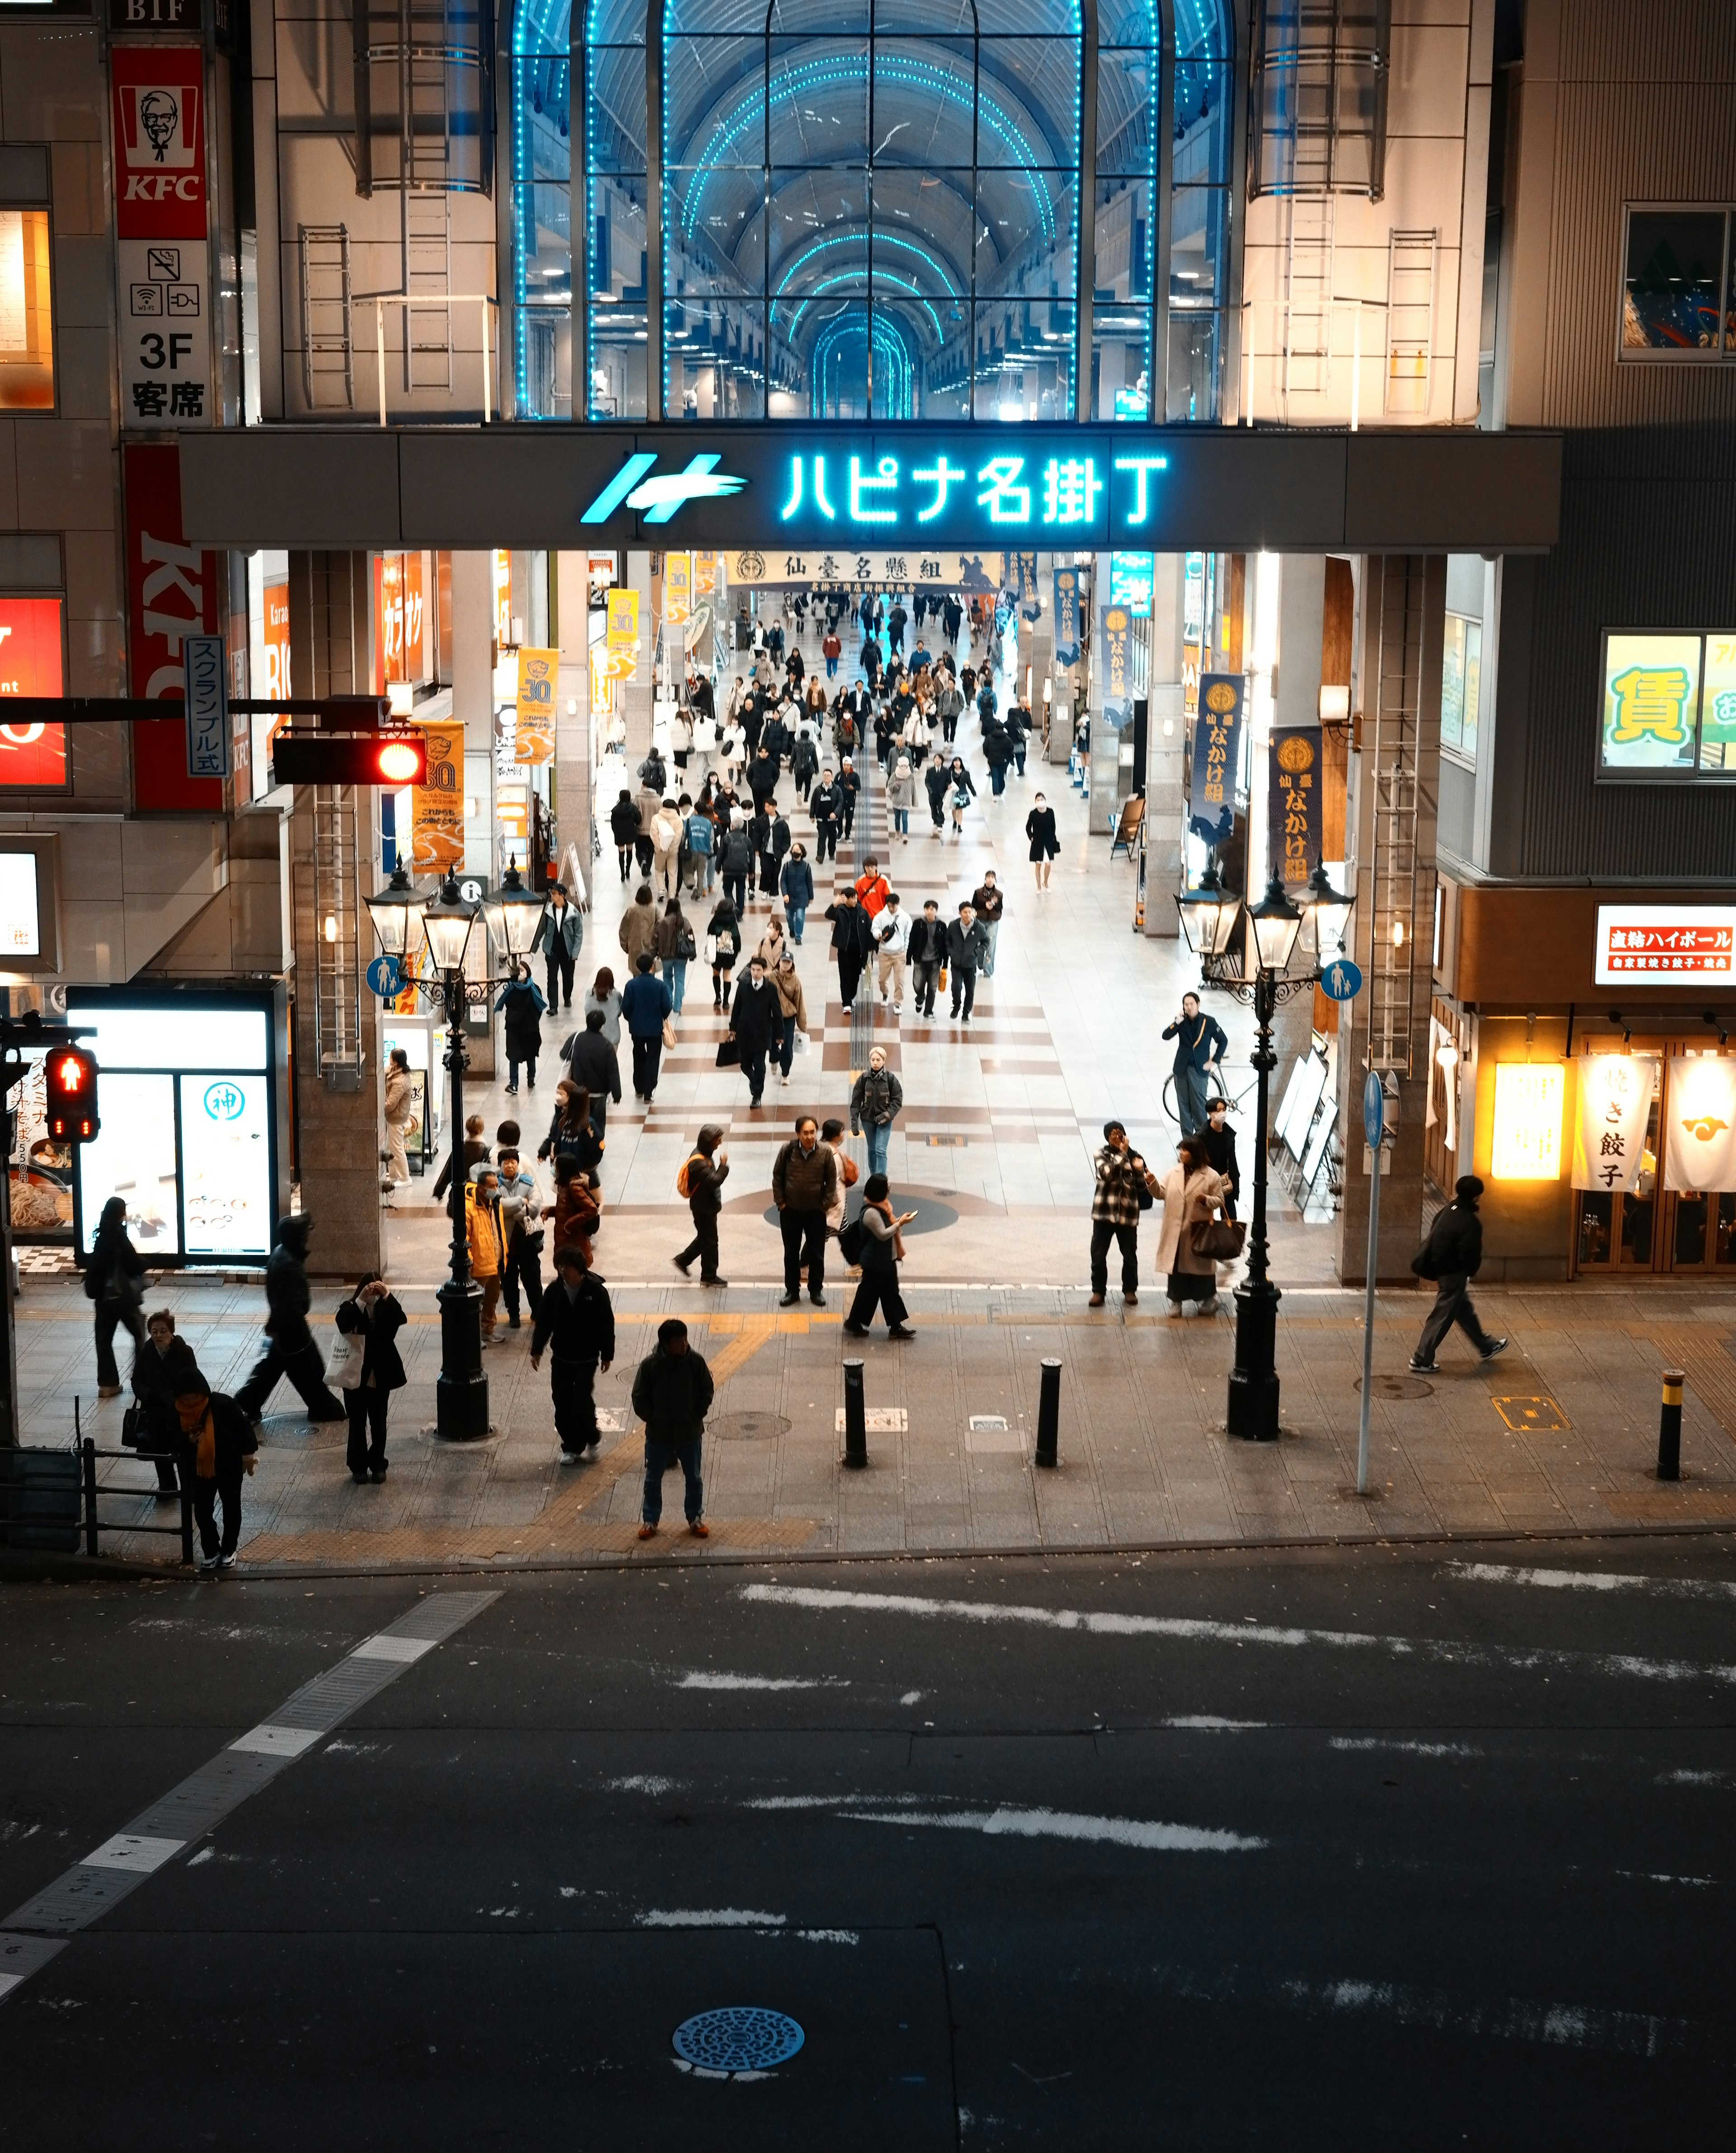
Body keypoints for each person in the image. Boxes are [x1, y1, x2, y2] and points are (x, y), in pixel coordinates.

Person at [234, 1215, 347, 1423]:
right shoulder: (290, 1266)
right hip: (293, 1331)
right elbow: (286, 1303)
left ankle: (246, 1403)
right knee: (310, 1371)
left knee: (270, 1369)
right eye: (305, 1235)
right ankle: (322, 1408)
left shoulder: (280, 1253)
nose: (307, 1239)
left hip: (283, 1330)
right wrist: (276, 1323)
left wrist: (274, 1326)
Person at [1410, 1175, 1509, 1374]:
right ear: (1476, 1197)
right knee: (1443, 1315)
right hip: (1453, 1273)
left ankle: (1486, 1346)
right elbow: (1470, 1254)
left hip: (1441, 1268)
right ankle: (1422, 1358)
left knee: (1463, 1310)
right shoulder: (1470, 1223)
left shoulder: (1448, 1210)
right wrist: (1470, 1272)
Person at [532, 1243, 616, 1459]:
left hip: (586, 1359)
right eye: (559, 1266)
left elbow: (606, 1324)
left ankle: (592, 1438)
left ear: (578, 1269)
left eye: (566, 1267)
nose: (562, 1271)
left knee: (581, 1401)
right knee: (562, 1402)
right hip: (561, 1357)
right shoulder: (554, 1291)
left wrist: (607, 1354)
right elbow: (544, 1322)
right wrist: (537, 1350)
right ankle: (571, 1445)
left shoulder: (595, 1292)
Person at [632, 1318, 714, 1539]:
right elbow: (639, 1397)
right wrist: (653, 1419)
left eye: (686, 1339)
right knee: (652, 1479)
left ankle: (695, 1518)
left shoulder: (695, 1362)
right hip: (659, 1435)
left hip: (689, 1432)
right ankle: (650, 1520)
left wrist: (697, 1414)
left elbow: (707, 1389)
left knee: (694, 1477)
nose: (685, 1345)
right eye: (679, 1341)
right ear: (666, 1344)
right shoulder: (650, 1366)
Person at [173, 1374, 258, 1574]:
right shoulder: (176, 1411)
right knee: (202, 1512)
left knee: (231, 1508)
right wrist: (189, 1441)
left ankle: (229, 1550)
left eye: (194, 1398)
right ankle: (211, 1550)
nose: (191, 1403)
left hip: (228, 1466)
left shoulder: (222, 1404)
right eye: (186, 1399)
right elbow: (172, 1438)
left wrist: (247, 1457)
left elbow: (244, 1429)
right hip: (200, 1470)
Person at [332, 1274, 406, 1483]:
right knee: (357, 1423)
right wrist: (360, 1301)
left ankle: (378, 1464)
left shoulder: (386, 1309)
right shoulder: (352, 1307)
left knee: (378, 1423)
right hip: (356, 1377)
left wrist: (388, 1295)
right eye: (370, 1291)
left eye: (376, 1292)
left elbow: (400, 1318)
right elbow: (342, 1323)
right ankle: (358, 1467)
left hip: (379, 1377)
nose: (373, 1295)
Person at [1155, 1135, 1228, 1317]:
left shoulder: (1211, 1176)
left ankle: (1209, 1299)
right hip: (1176, 1232)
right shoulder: (1173, 1173)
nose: (1182, 1153)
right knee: (1177, 1268)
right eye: (1181, 1149)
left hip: (1198, 1231)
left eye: (1186, 1150)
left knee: (1201, 1267)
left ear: (1195, 1154)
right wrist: (1151, 1182)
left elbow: (1220, 1200)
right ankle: (1176, 1302)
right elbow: (1161, 1192)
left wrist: (1206, 1200)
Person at [1089, 1121, 1158, 1308]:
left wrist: (1139, 1171)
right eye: (1112, 1134)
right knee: (1098, 1254)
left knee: (1130, 1255)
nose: (1117, 1136)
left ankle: (1130, 1290)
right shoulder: (1100, 1154)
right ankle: (1098, 1292)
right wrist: (1122, 1154)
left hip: (1128, 1214)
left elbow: (1142, 1188)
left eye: (1120, 1133)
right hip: (1104, 1213)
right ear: (1107, 1137)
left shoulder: (1135, 1156)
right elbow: (1107, 1174)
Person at [129, 1307, 197, 1497]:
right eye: (154, 1332)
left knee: (183, 1451)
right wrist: (148, 1394)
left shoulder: (184, 1352)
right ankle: (167, 1488)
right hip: (155, 1410)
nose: (159, 1336)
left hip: (179, 1410)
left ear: (172, 1332)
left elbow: (193, 1380)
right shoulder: (147, 1352)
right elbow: (137, 1380)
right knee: (160, 1451)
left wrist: (170, 1396)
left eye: (163, 1331)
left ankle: (190, 1490)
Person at [773, 1115, 838, 1308]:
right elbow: (777, 1176)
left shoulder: (825, 1153)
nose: (810, 1137)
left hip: (815, 1212)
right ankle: (792, 1290)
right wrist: (781, 1202)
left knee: (817, 1253)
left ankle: (816, 1290)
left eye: (813, 1133)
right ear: (798, 1134)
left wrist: (824, 1205)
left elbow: (832, 1181)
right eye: (806, 1133)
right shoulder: (787, 1150)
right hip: (790, 1211)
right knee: (791, 1253)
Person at [843, 1173, 916, 1339]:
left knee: (889, 1292)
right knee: (869, 1293)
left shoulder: (882, 1207)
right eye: (887, 1189)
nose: (889, 1191)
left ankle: (895, 1326)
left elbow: (886, 1228)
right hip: (876, 1261)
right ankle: (854, 1322)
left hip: (884, 1259)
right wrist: (900, 1224)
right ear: (880, 1191)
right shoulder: (871, 1213)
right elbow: (883, 1234)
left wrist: (899, 1222)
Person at [87, 1194, 145, 1399]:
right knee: (140, 1334)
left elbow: (94, 1268)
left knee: (104, 1342)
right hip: (125, 1299)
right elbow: (135, 1265)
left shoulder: (100, 1237)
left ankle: (108, 1384)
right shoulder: (120, 1237)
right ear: (122, 1214)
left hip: (103, 1300)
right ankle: (142, 1378)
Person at [1164, 992, 1229, 1135]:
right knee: (1184, 1105)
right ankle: (1187, 1142)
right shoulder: (1182, 1022)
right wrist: (1176, 1023)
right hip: (1181, 1069)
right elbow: (1166, 1036)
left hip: (1199, 1069)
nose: (1189, 1007)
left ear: (1198, 1005)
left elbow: (1223, 1040)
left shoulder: (1209, 1021)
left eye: (1191, 1004)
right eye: (1186, 1004)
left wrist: (1214, 1061)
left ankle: (1201, 1140)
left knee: (1199, 1106)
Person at [495, 1148, 544, 1331]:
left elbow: (535, 1208)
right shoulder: (495, 1185)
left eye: (513, 1162)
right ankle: (513, 1314)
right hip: (506, 1243)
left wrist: (513, 1212)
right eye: (506, 1162)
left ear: (518, 1164)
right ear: (500, 1165)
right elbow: (498, 1206)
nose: (510, 1165)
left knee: (532, 1278)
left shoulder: (528, 1182)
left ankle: (537, 1312)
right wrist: (521, 1201)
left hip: (528, 1241)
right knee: (509, 1281)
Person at [673, 1123, 728, 1285]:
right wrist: (723, 1166)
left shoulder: (703, 1153)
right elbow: (715, 1181)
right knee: (710, 1241)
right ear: (708, 1142)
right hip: (704, 1208)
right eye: (717, 1140)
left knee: (705, 1238)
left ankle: (683, 1260)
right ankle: (709, 1275)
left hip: (705, 1205)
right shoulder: (698, 1163)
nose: (720, 1143)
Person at [728, 952, 781, 1107]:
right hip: (744, 1033)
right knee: (745, 1065)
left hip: (762, 1034)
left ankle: (757, 1094)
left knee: (759, 1065)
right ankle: (755, 1081)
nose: (755, 973)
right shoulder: (743, 986)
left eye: (758, 970)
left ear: (764, 970)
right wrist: (733, 1028)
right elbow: (737, 1007)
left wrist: (780, 1034)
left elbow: (777, 1013)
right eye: (753, 970)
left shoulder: (770, 989)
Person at [622, 951, 674, 1102]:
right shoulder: (660, 986)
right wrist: (662, 1017)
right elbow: (666, 1006)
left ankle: (639, 1087)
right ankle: (648, 1091)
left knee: (638, 1056)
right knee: (653, 1058)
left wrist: (631, 1019)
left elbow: (626, 1007)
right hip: (655, 1029)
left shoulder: (631, 985)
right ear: (652, 967)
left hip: (637, 1028)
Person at [465, 1162, 507, 1343]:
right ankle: (473, 1334)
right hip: (479, 1263)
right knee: (476, 1302)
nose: (496, 1190)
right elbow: (465, 1238)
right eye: (492, 1187)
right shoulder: (469, 1208)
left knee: (492, 1299)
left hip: (496, 1260)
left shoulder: (496, 1204)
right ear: (481, 1188)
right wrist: (469, 1261)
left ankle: (488, 1330)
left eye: (497, 1186)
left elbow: (499, 1231)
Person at [566, 1006, 621, 1138]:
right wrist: (617, 1093)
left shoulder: (577, 1039)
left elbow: (564, 1055)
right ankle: (597, 1145)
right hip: (599, 1094)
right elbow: (613, 1071)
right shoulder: (607, 1045)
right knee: (599, 1124)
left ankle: (581, 1144)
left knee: (580, 1120)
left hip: (580, 1092)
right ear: (602, 1026)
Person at [851, 1045, 903, 1179]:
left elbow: (897, 1101)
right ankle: (874, 1176)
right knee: (872, 1149)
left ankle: (881, 1179)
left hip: (885, 1122)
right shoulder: (863, 1079)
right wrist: (854, 1122)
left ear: (884, 1061)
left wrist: (887, 1115)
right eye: (873, 1060)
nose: (875, 1063)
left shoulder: (891, 1080)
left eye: (878, 1060)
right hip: (868, 1120)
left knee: (881, 1149)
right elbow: (856, 1102)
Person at [495, 958, 546, 1095]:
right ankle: (514, 1084)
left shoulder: (535, 989)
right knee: (514, 1056)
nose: (520, 974)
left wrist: (533, 1021)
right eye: (518, 971)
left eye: (522, 970)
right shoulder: (510, 989)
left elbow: (539, 1008)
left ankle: (531, 1079)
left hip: (530, 1028)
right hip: (514, 1028)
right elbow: (507, 1005)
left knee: (531, 1055)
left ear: (528, 972)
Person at [825, 883, 874, 1009]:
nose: (855, 900)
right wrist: (835, 904)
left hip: (859, 950)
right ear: (845, 899)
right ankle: (846, 1002)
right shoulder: (840, 911)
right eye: (852, 898)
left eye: (856, 897)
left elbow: (869, 929)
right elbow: (829, 915)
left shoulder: (862, 912)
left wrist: (870, 948)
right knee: (845, 975)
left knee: (856, 975)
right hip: (845, 949)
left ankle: (851, 996)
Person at [536, 883, 584, 1012]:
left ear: (562, 896)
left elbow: (579, 934)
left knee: (568, 978)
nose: (551, 896)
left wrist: (575, 953)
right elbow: (540, 930)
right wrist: (533, 947)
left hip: (567, 952)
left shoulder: (573, 913)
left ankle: (567, 997)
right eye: (551, 894)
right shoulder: (548, 912)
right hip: (552, 951)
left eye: (554, 894)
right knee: (552, 979)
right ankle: (553, 1006)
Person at [947, 901, 990, 1024]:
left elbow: (986, 941)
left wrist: (976, 952)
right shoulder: (954, 926)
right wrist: (951, 952)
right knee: (956, 987)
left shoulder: (979, 927)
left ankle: (966, 1014)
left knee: (970, 991)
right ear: (960, 913)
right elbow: (948, 940)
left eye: (970, 912)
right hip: (956, 965)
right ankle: (956, 1006)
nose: (968, 915)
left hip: (970, 966)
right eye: (965, 912)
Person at [1200, 1097, 1241, 1221]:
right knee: (1206, 1216)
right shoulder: (1202, 1136)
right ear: (1211, 1113)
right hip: (1208, 1181)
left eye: (1224, 1110)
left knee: (1230, 1217)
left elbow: (1233, 1160)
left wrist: (1235, 1178)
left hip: (1225, 1180)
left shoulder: (1229, 1134)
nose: (1222, 1113)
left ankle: (1229, 1239)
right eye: (1219, 1110)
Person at [433, 1113, 488, 1203]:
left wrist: (439, 1191)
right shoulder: (485, 1150)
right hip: (477, 1195)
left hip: (458, 1195)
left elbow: (448, 1170)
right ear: (482, 1129)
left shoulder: (459, 1148)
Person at [772, 951, 808, 1083]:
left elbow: (800, 1002)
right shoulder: (770, 976)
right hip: (772, 1017)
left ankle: (785, 1074)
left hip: (788, 1017)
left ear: (792, 964)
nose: (785, 964)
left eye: (788, 962)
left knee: (787, 1046)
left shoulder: (795, 981)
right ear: (779, 962)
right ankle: (774, 1059)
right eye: (783, 961)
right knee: (772, 1044)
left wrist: (802, 1024)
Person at [382, 1047, 415, 1194]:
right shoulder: (399, 1072)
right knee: (392, 1146)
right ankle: (395, 1175)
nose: (389, 1060)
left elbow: (390, 1104)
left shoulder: (400, 1082)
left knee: (397, 1148)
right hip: (395, 1117)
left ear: (395, 1061)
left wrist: (378, 1110)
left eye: (390, 1058)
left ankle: (405, 1178)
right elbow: (385, 1072)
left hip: (396, 1117)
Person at [656, 896, 695, 1016]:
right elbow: (691, 937)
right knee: (680, 980)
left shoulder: (662, 922)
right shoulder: (684, 921)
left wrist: (654, 954)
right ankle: (678, 1006)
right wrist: (692, 953)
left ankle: (669, 1002)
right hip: (681, 956)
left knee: (667, 978)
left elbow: (655, 939)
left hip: (666, 956)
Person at [908, 898, 947, 1019]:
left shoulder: (941, 926)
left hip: (935, 962)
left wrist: (946, 963)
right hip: (920, 960)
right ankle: (920, 998)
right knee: (917, 985)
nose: (930, 912)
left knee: (933, 987)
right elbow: (912, 941)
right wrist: (909, 957)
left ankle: (929, 1011)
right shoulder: (918, 924)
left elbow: (945, 946)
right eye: (927, 909)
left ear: (936, 911)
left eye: (932, 909)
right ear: (924, 910)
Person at [874, 891, 910, 1009]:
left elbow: (908, 934)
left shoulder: (905, 917)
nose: (891, 909)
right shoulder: (880, 916)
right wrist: (878, 934)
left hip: (899, 954)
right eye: (888, 906)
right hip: (884, 954)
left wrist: (905, 949)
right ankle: (885, 994)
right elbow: (875, 928)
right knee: (882, 979)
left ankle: (898, 1003)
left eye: (893, 906)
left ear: (898, 904)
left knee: (900, 981)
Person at [706, 896, 741, 1010]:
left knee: (716, 974)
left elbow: (709, 932)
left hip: (716, 953)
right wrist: (736, 952)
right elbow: (737, 938)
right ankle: (726, 1001)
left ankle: (718, 997)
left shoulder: (715, 919)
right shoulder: (733, 921)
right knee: (727, 976)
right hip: (729, 953)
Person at [618, 883, 660, 971]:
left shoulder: (632, 909)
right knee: (650, 973)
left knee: (637, 973)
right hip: (651, 947)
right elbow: (661, 926)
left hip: (635, 946)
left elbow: (623, 929)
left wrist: (626, 946)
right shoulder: (655, 909)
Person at [651, 796, 685, 901]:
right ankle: (672, 895)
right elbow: (678, 836)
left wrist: (659, 847)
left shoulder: (656, 818)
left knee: (659, 871)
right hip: (673, 852)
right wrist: (672, 848)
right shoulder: (678, 820)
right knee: (672, 872)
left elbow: (654, 834)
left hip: (660, 851)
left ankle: (661, 891)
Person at [779, 840, 813, 945]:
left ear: (802, 853)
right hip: (789, 896)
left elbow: (809, 882)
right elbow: (783, 881)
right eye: (794, 850)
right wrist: (785, 894)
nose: (795, 851)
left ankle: (798, 936)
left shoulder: (807, 867)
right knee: (789, 916)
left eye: (797, 850)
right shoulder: (787, 866)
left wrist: (811, 897)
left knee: (799, 916)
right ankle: (792, 929)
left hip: (802, 896)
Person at [971, 871, 1004, 978]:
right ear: (985, 879)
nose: (990, 879)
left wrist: (994, 904)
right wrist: (985, 905)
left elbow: (1000, 908)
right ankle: (979, 961)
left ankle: (988, 970)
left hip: (993, 922)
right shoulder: (978, 892)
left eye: (992, 877)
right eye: (988, 877)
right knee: (979, 943)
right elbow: (974, 905)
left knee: (991, 945)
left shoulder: (999, 894)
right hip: (980, 921)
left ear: (995, 880)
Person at [719, 817, 754, 912]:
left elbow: (721, 854)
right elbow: (751, 856)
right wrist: (752, 871)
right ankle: (740, 912)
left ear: (732, 826)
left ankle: (733, 907)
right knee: (741, 890)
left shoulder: (726, 838)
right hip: (742, 870)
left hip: (728, 870)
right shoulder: (747, 839)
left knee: (727, 890)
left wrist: (718, 867)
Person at [683, 794, 715, 897]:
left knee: (688, 871)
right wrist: (710, 851)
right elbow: (712, 838)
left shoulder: (689, 821)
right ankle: (700, 893)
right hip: (704, 852)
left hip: (692, 851)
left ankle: (692, 884)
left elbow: (684, 835)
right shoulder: (708, 823)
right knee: (701, 874)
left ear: (695, 810)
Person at [1026, 793, 1060, 889]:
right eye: (1038, 800)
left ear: (1045, 800)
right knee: (1038, 864)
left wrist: (1053, 837)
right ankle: (1038, 886)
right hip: (1037, 843)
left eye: (1042, 799)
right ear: (1035, 802)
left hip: (1048, 842)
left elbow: (1053, 826)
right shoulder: (1033, 814)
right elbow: (1028, 827)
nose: (1040, 802)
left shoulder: (1050, 812)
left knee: (1048, 864)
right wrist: (1031, 837)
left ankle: (1045, 882)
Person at [583, 966, 623, 1047]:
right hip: (612, 1035)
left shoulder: (589, 993)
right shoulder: (616, 995)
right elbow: (619, 1012)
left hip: (593, 1034)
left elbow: (587, 1010)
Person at [809, 768, 842, 864]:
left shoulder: (837, 790)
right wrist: (812, 815)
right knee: (822, 837)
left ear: (832, 777)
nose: (826, 777)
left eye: (828, 776)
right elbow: (813, 803)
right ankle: (820, 856)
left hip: (832, 820)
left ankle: (832, 853)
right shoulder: (818, 790)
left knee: (832, 837)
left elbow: (840, 802)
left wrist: (835, 813)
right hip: (821, 819)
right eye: (825, 775)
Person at [609, 788, 640, 883]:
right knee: (630, 852)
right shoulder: (633, 808)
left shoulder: (615, 810)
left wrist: (616, 832)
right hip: (630, 833)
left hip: (620, 834)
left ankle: (622, 874)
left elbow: (613, 824)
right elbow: (639, 819)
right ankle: (628, 871)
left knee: (621, 853)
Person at [887, 751, 916, 840]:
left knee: (905, 819)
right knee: (897, 818)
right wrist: (897, 785)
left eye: (905, 766)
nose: (903, 768)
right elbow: (890, 786)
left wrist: (914, 801)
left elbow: (913, 789)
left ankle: (905, 834)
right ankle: (897, 831)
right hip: (896, 800)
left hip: (907, 800)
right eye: (902, 766)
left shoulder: (911, 776)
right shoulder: (895, 775)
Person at [948, 755, 977, 837]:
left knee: (960, 810)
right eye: (955, 761)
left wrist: (974, 793)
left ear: (961, 763)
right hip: (953, 794)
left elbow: (969, 784)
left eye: (958, 761)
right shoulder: (950, 772)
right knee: (954, 809)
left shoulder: (966, 773)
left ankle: (959, 826)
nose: (957, 763)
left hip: (962, 794)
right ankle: (955, 821)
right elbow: (946, 782)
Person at [855, 855, 889, 919]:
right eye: (868, 867)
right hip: (865, 917)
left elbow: (889, 898)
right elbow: (856, 899)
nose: (870, 869)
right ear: (864, 868)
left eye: (872, 866)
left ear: (876, 867)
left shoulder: (883, 880)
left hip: (880, 916)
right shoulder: (860, 881)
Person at [837, 757, 860, 840]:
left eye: (848, 765)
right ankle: (840, 832)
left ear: (851, 766)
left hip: (851, 800)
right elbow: (835, 786)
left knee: (849, 818)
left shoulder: (855, 776)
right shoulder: (839, 775)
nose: (846, 767)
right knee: (839, 817)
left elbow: (859, 787)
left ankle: (848, 834)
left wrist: (853, 788)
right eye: (844, 765)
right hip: (840, 801)